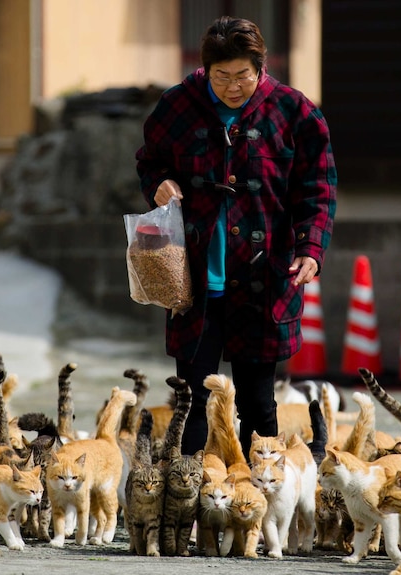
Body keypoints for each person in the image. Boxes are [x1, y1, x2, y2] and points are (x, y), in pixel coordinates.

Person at [135, 15, 337, 458]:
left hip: (264, 279)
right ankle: (188, 507)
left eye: (242, 76)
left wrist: (310, 251)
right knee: (191, 402)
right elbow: (150, 161)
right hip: (193, 281)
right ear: (205, 70)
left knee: (259, 406)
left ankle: (258, 509)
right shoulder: (177, 106)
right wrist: (158, 184)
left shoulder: (295, 112)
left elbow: (318, 190)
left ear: (260, 68)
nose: (231, 87)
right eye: (220, 76)